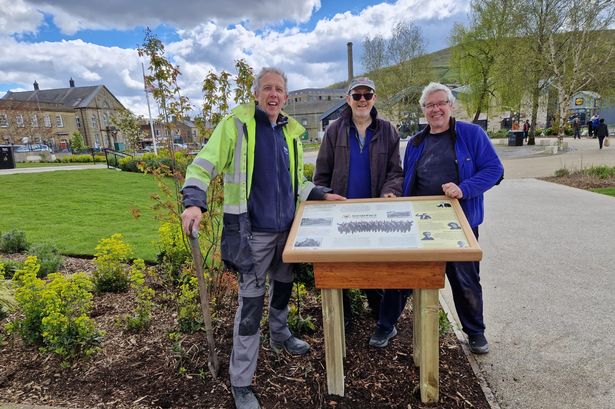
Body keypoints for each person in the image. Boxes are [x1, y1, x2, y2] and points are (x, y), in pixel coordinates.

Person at [180, 67, 342, 409]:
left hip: (287, 232)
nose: (273, 94)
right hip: (252, 234)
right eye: (267, 88)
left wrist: (320, 194)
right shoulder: (236, 127)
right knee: (251, 305)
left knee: (283, 286)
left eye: (279, 89)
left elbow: (296, 182)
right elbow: (202, 164)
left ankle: (280, 335)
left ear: (285, 97)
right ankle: (241, 381)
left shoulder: (290, 133)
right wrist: (194, 202)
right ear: (256, 94)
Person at [402, 82, 504, 355]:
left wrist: (464, 188)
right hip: (423, 223)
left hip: (460, 223)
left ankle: (476, 332)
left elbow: (494, 169)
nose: (435, 109)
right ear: (423, 110)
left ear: (450, 105)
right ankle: (402, 327)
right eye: (429, 105)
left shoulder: (472, 134)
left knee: (465, 280)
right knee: (417, 279)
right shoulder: (415, 142)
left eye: (440, 103)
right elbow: (408, 179)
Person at [313, 76, 406, 348]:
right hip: (342, 215)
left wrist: (390, 192)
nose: (362, 100)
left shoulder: (388, 131)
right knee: (340, 266)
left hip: (375, 214)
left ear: (374, 99)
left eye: (368, 95)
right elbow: (321, 175)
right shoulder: (334, 131)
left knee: (374, 265)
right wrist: (325, 195)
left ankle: (381, 317)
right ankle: (344, 318)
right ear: (348, 99)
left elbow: (395, 172)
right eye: (357, 96)